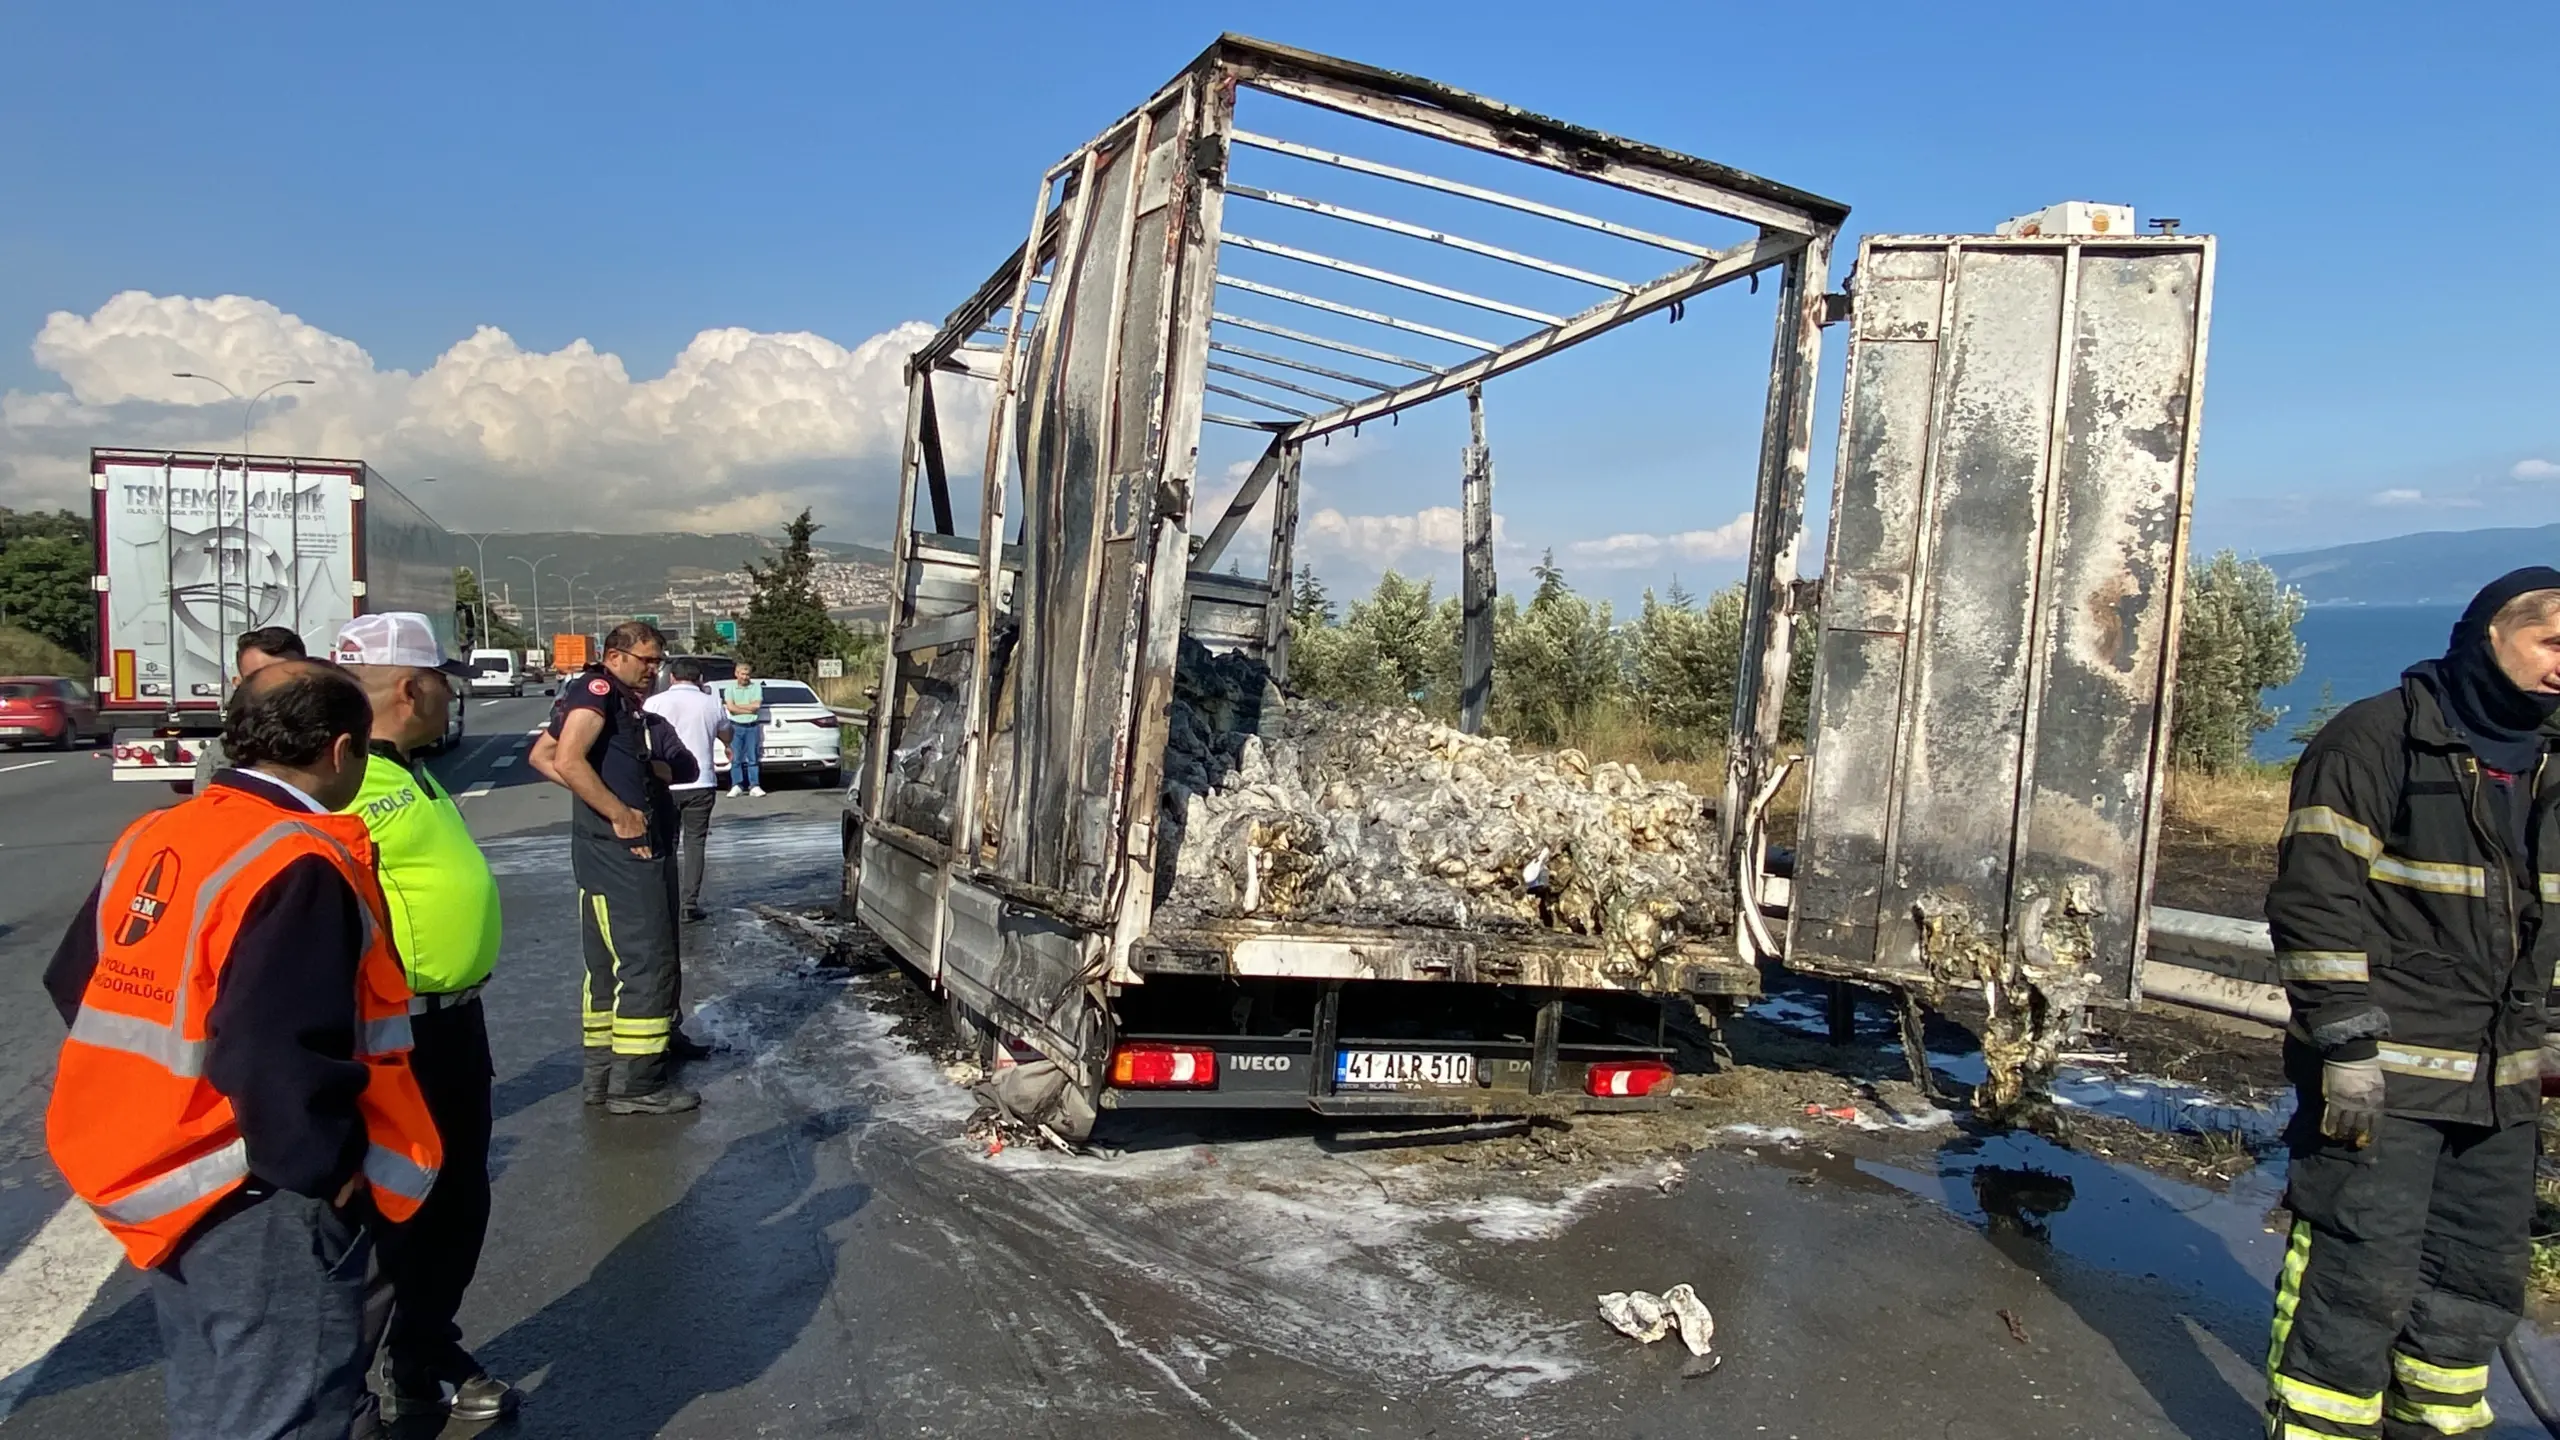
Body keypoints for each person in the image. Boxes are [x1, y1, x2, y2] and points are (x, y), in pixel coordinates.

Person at [44, 660, 443, 1440]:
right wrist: (320, 1171)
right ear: (339, 751)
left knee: (216, 1399)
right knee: (285, 1410)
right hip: (253, 1191)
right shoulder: (296, 860)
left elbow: (75, 983)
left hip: (162, 1171)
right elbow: (278, 1050)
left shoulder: (161, 832)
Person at [2263, 566, 2560, 1439]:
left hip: (2499, 1085)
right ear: (2487, 636)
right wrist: (2345, 1044)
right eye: (2552, 644)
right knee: (2358, 1277)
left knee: (2474, 1282)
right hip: (2383, 1080)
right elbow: (2316, 900)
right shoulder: (2376, 741)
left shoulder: (2552, 761)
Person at [329, 614, 516, 1424]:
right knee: (390, 1216)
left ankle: (424, 1349)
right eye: (442, 679)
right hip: (395, 1032)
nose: (451, 693)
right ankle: (346, 1392)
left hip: (450, 1024)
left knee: (455, 1199)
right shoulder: (345, 785)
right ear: (412, 688)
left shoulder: (407, 768)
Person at [530, 621, 700, 1115]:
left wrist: (602, 793)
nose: (653, 671)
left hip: (607, 851)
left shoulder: (612, 699)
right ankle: (639, 1084)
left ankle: (603, 1076)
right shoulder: (599, 690)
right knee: (647, 962)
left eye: (658, 662)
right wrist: (619, 812)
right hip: (623, 853)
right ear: (614, 656)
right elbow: (565, 757)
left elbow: (543, 756)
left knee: (607, 968)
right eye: (645, 660)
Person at [644, 657, 730, 922]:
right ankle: (689, 904)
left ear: (671, 678)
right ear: (700, 679)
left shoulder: (654, 703)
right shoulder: (711, 702)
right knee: (695, 843)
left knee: (665, 844)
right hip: (701, 782)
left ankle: (664, 901)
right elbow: (726, 734)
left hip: (663, 782)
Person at [190, 626, 308, 793]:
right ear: (239, 684)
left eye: (287, 676)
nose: (276, 688)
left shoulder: (338, 740)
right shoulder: (222, 754)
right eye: (261, 678)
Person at [723, 659, 765, 798]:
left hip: (752, 726)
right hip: (735, 726)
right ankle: (737, 785)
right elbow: (731, 708)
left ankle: (754, 785)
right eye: (742, 674)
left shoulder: (756, 687)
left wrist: (739, 708)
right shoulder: (730, 688)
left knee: (753, 758)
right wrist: (748, 708)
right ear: (736, 673)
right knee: (736, 758)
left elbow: (756, 706)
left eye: (747, 674)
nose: (745, 677)